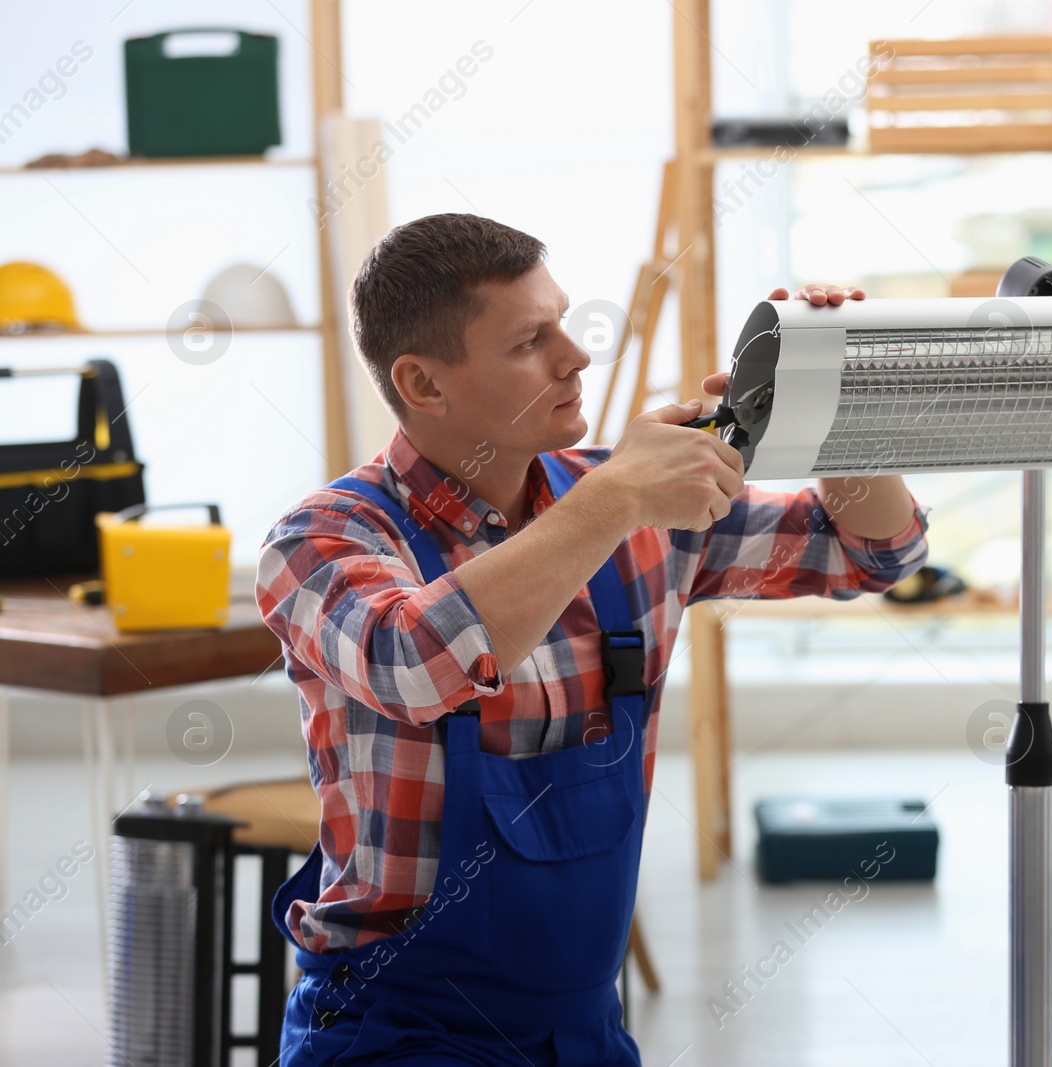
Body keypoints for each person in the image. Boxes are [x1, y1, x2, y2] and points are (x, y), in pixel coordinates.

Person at [255, 213, 930, 1066]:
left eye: (563, 321)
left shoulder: (634, 506)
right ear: (423, 385)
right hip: (397, 1031)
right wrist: (614, 500)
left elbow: (874, 549)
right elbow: (415, 663)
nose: (573, 355)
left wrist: (833, 404)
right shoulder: (323, 539)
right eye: (530, 340)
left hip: (584, 1033)